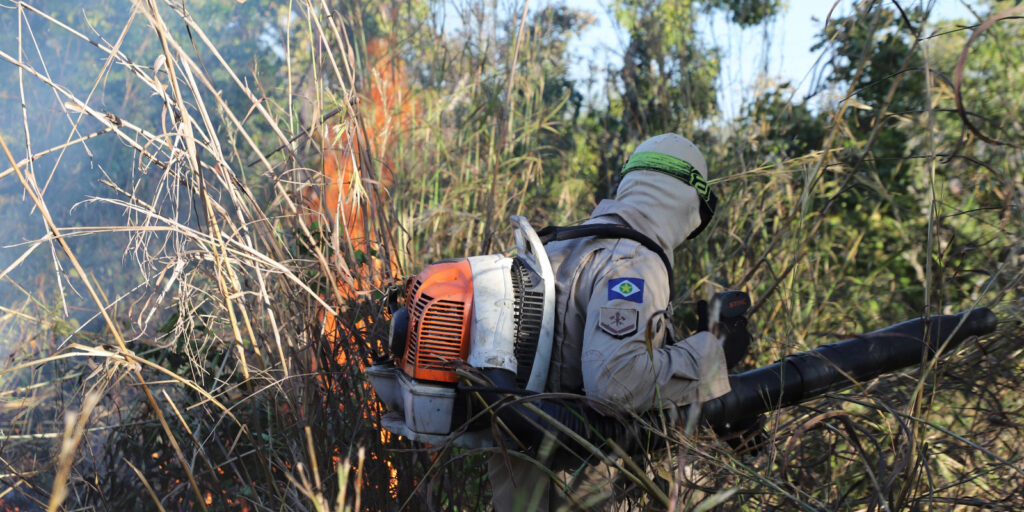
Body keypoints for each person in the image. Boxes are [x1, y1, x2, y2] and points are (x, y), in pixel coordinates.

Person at [488, 133, 739, 511]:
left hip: (523, 482)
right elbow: (616, 385)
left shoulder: (559, 245)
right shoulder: (633, 262)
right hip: (577, 480)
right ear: (689, 199)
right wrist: (710, 353)